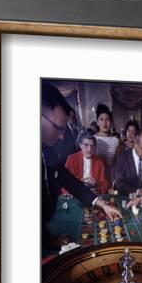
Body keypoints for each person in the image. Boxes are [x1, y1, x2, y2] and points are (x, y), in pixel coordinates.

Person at [41, 82, 121, 248]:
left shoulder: (49, 152)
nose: (62, 137)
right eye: (57, 128)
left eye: (64, 131)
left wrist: (101, 203)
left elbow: (69, 181)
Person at [62, 129, 109, 195]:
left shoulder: (99, 161)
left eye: (92, 146)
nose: (89, 149)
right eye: (86, 145)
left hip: (93, 194)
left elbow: (105, 183)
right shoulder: (72, 159)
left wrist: (97, 188)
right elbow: (65, 181)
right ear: (80, 145)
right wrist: (78, 185)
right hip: (76, 194)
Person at [114, 129, 142, 196]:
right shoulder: (122, 158)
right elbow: (119, 182)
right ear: (135, 143)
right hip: (126, 199)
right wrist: (137, 191)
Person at [94, 103, 120, 183]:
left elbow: (119, 163)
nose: (104, 123)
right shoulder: (93, 139)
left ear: (111, 122)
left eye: (107, 119)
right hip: (96, 175)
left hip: (111, 177)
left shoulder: (115, 140)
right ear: (97, 122)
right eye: (101, 119)